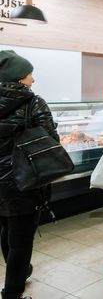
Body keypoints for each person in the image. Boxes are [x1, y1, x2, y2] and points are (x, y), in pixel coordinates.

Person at [0, 50, 56, 299]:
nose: (33, 78)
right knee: (21, 241)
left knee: (6, 228)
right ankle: (12, 292)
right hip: (23, 181)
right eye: (29, 73)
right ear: (19, 77)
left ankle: (20, 274)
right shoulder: (34, 102)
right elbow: (50, 142)